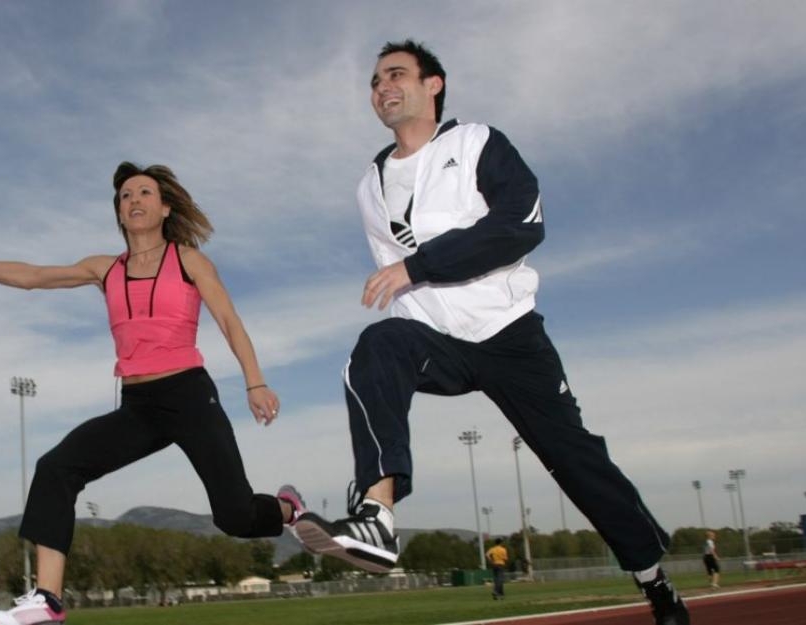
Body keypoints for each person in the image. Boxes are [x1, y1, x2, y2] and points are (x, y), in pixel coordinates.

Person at [291, 40, 689, 625]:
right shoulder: (369, 185)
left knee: (574, 459)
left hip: (509, 336)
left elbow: (521, 223)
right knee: (375, 347)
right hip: (435, 339)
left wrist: (418, 267)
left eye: (396, 74)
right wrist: (412, 286)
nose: (382, 88)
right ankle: (376, 516)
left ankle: (654, 580)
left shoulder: (477, 143)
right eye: (374, 82)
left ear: (433, 84)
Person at [0, 162, 307, 625]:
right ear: (120, 213)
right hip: (138, 406)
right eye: (126, 196)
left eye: (144, 193)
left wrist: (255, 381)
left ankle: (288, 509)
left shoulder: (188, 260)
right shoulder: (105, 268)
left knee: (235, 517)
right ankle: (48, 600)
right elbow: (32, 276)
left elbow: (229, 320)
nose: (134, 200)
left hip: (188, 396)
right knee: (55, 468)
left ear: (164, 209)